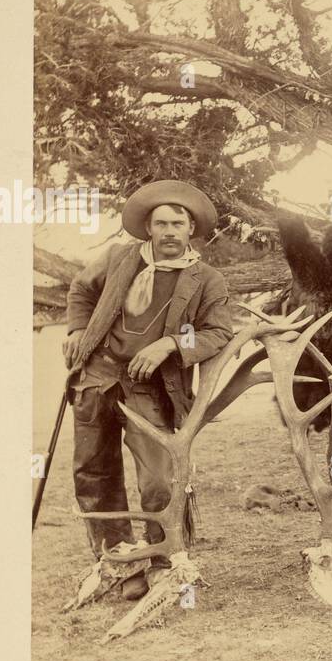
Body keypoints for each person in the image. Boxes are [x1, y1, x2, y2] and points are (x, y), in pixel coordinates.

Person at [62, 180, 233, 595]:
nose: (170, 232)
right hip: (97, 378)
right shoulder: (119, 258)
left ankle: (162, 560)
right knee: (94, 474)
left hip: (151, 390)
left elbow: (218, 333)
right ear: (148, 228)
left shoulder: (206, 280)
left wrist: (171, 343)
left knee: (159, 479)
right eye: (161, 224)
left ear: (191, 229)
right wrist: (77, 329)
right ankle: (119, 563)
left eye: (178, 223)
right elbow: (82, 289)